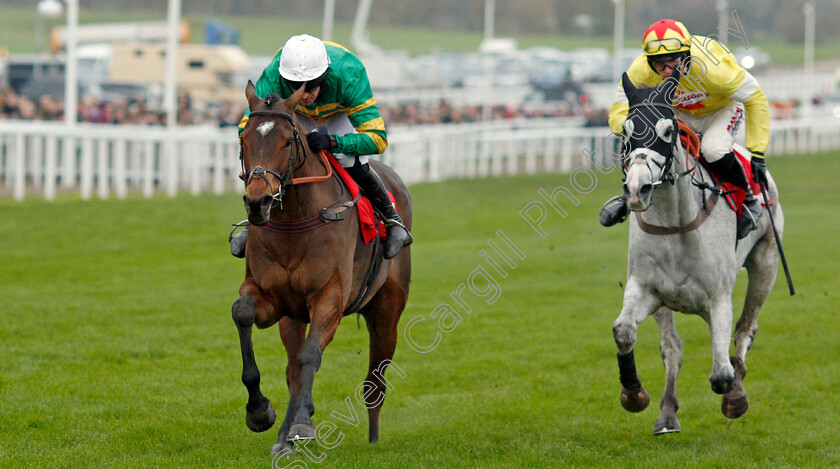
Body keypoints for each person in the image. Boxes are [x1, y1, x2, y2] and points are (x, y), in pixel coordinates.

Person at [230, 34, 411, 259]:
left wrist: (334, 142)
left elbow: (378, 139)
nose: (305, 94)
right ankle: (252, 224)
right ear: (284, 78)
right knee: (276, 161)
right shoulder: (274, 75)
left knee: (349, 160)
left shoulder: (349, 72)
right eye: (295, 86)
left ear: (324, 76)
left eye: (312, 85)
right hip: (294, 114)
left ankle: (393, 220)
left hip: (338, 113)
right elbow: (247, 128)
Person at [600, 19, 769, 239]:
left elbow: (755, 96)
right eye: (660, 64)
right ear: (649, 62)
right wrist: (634, 130)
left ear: (687, 54)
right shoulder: (641, 69)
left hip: (722, 109)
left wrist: (757, 152)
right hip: (682, 114)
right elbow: (620, 107)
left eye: (674, 62)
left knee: (713, 149)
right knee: (649, 145)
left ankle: (748, 200)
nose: (668, 70)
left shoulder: (713, 68)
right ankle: (629, 197)